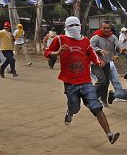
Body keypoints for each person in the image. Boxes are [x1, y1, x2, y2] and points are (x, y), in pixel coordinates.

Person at [44, 16, 120, 144]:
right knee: (75, 108)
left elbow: (91, 53)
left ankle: (110, 134)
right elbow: (46, 52)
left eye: (76, 25)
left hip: (85, 81)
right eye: (71, 26)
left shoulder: (85, 40)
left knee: (96, 106)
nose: (74, 28)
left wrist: (97, 61)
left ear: (80, 26)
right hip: (70, 83)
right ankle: (70, 111)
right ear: (66, 27)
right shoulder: (60, 39)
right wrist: (57, 53)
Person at [90, 20, 127, 104]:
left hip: (107, 63)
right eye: (104, 28)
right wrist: (99, 50)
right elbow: (89, 48)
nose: (106, 30)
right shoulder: (96, 37)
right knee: (102, 80)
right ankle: (91, 97)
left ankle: (104, 99)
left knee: (106, 82)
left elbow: (118, 45)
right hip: (96, 63)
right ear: (101, 28)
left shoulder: (113, 37)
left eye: (108, 28)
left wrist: (120, 49)